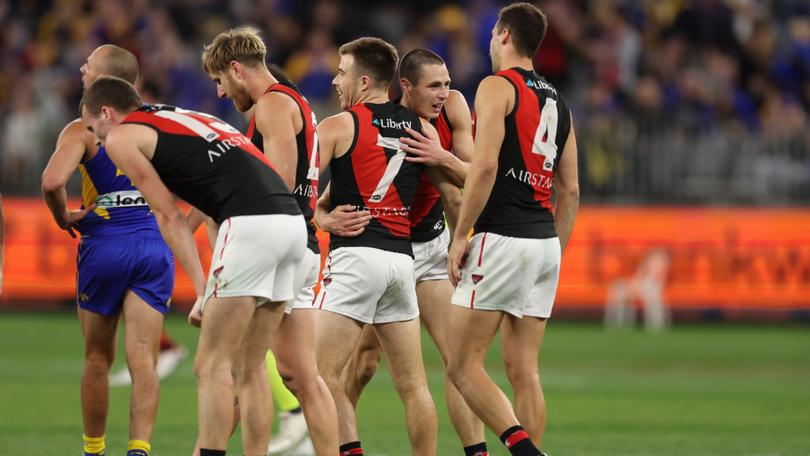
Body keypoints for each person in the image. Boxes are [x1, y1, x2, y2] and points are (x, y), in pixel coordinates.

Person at [79, 75, 306, 456]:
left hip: (250, 225)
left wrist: (203, 288)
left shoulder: (121, 137)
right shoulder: (184, 116)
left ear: (107, 113)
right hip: (290, 224)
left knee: (211, 366)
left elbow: (166, 215)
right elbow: (225, 180)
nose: (98, 140)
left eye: (93, 129)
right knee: (250, 368)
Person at [318, 48, 489, 456]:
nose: (445, 93)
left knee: (458, 362)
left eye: (447, 83)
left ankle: (475, 452)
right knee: (364, 366)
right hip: (397, 250)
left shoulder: (448, 113)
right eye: (435, 86)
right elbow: (334, 193)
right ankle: (333, 438)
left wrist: (458, 237)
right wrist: (327, 215)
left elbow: (472, 177)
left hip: (423, 247)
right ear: (405, 87)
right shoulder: (402, 123)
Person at [446, 3, 579, 456]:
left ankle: (527, 452)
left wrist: (461, 236)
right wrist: (553, 250)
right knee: (524, 371)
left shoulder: (496, 87)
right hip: (544, 241)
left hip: (502, 236)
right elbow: (572, 190)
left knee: (462, 367)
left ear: (503, 35)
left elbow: (483, 168)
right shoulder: (559, 102)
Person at [201, 27, 338, 455]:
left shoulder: (273, 104)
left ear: (237, 69)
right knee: (301, 374)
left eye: (220, 81)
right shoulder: (298, 103)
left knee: (247, 367)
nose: (222, 94)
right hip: (303, 246)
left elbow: (278, 182)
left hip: (276, 245)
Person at [41, 45, 174, 456]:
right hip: (153, 245)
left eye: (89, 65)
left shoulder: (81, 129)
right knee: (144, 360)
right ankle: (139, 449)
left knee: (98, 358)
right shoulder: (163, 123)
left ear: (103, 78)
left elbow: (51, 182)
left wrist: (64, 217)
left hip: (104, 245)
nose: (81, 67)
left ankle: (94, 450)